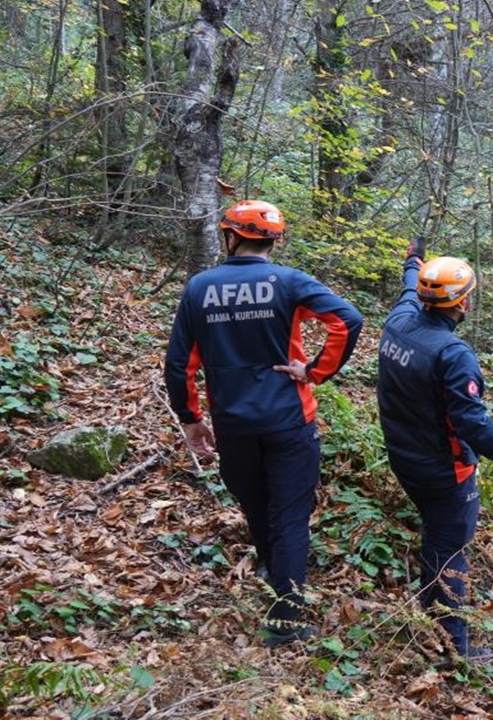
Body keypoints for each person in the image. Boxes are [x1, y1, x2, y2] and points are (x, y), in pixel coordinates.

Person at [165, 200, 364, 647]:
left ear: (229, 236)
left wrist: (191, 419)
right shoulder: (288, 282)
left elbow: (179, 364)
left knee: (255, 504)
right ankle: (286, 619)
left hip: (233, 422)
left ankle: (272, 571)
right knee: (290, 516)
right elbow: (347, 320)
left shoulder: (200, 288)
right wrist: (315, 371)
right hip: (289, 420)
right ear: (274, 240)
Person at [376, 238, 493, 658]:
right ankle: (454, 645)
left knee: (437, 538)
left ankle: (429, 615)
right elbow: (471, 423)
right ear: (464, 304)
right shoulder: (453, 355)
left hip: (403, 455)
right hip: (443, 470)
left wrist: (413, 261)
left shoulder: (399, 321)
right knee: (449, 550)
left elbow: (406, 287)